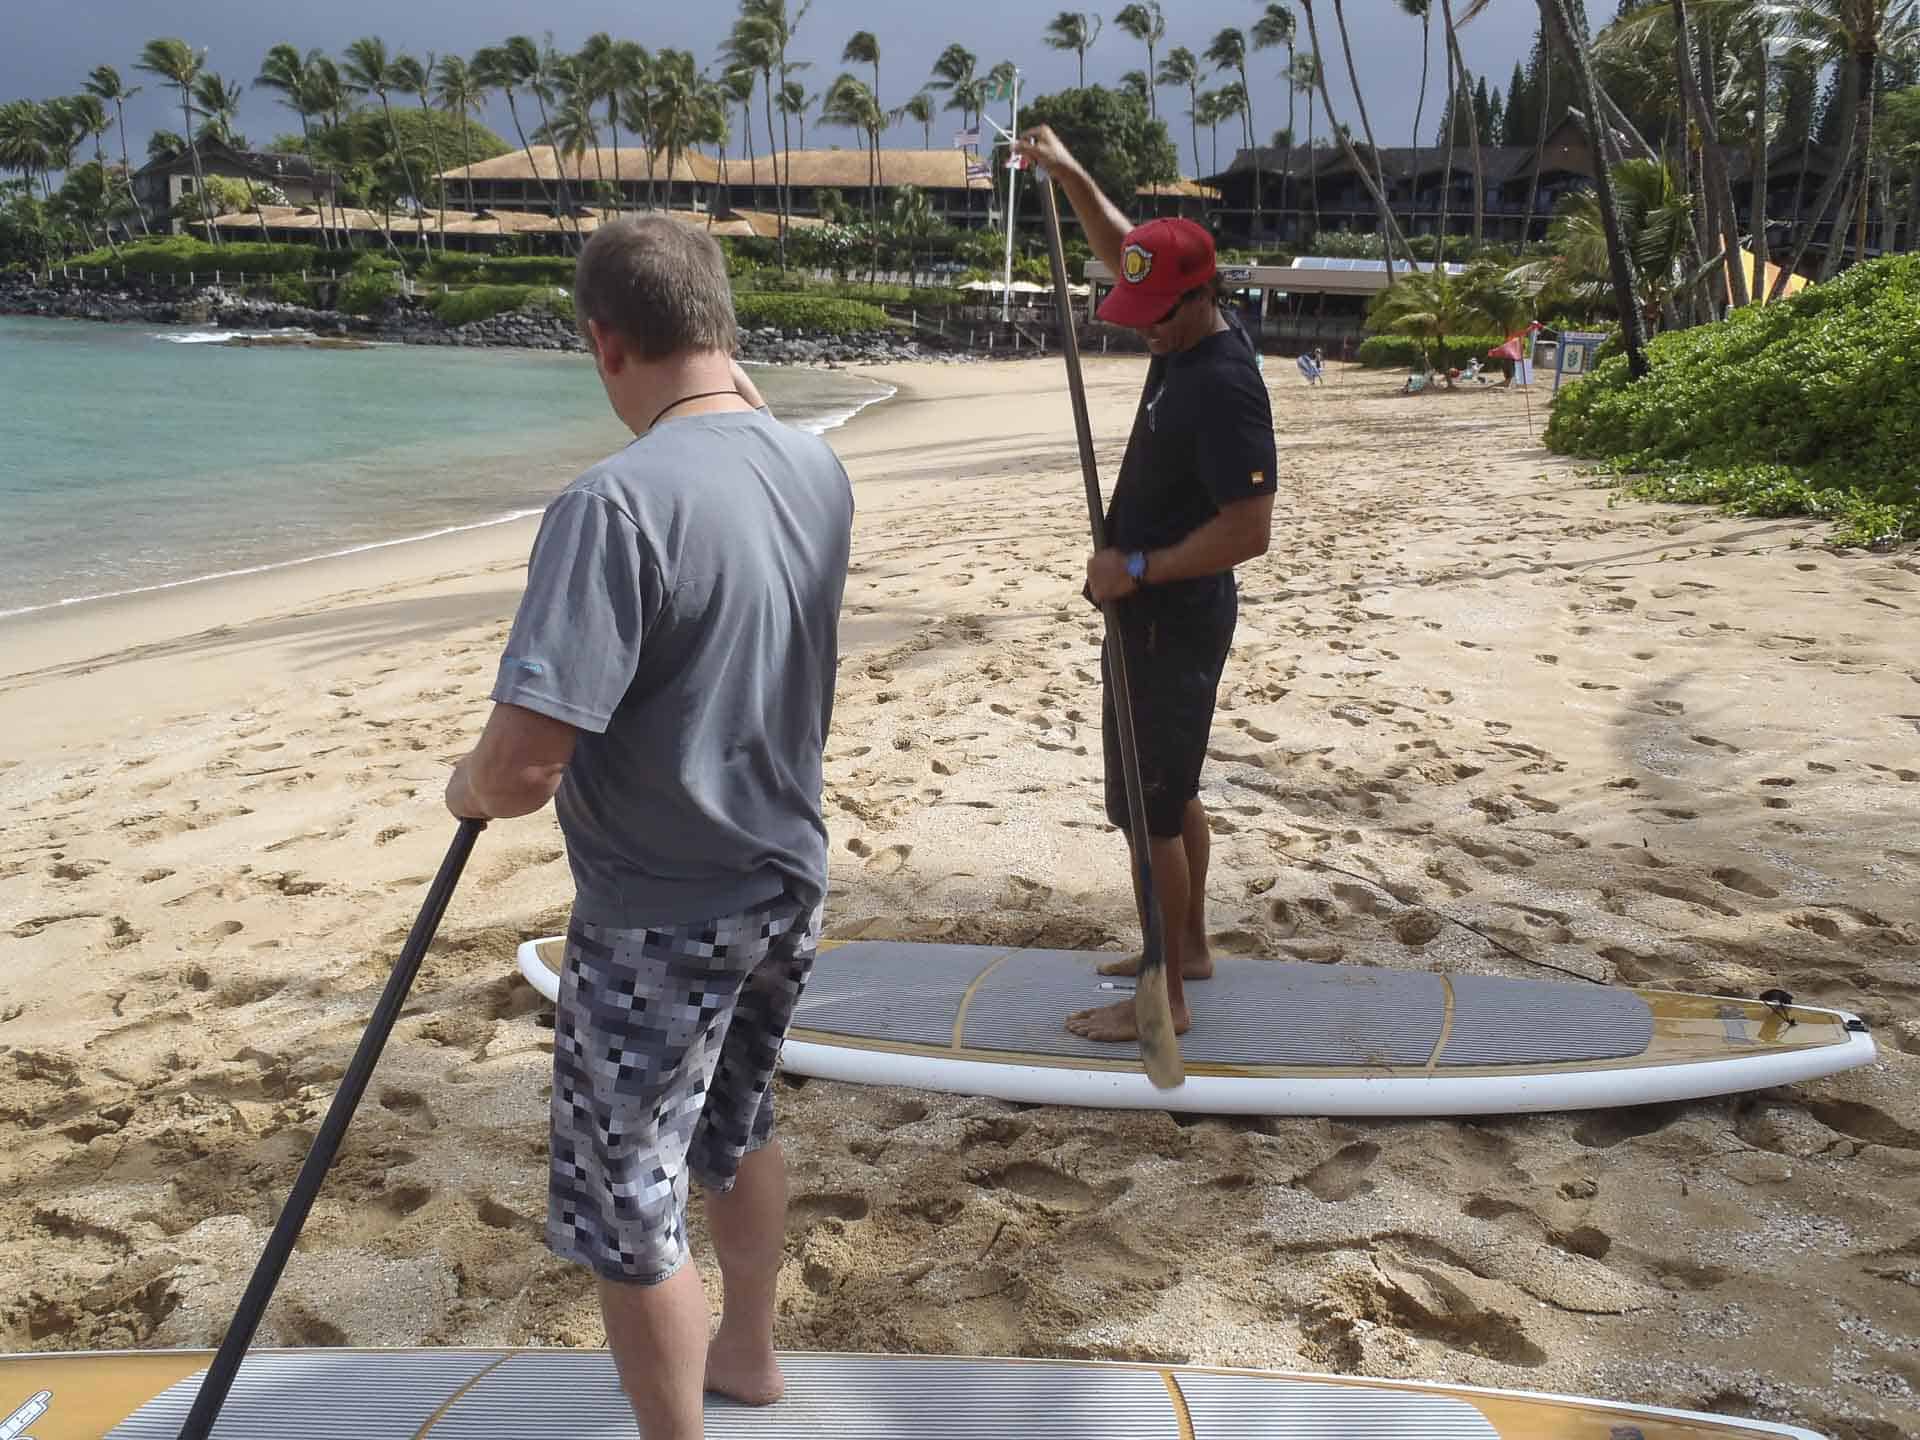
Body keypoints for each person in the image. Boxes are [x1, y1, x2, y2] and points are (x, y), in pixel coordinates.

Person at [444, 216, 853, 1439]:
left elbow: (523, 765)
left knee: (629, 1198)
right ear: (724, 327)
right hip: (788, 879)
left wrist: (464, 786)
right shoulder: (813, 466)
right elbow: (742, 433)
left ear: (601, 340)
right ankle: (751, 1354)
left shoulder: (613, 506)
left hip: (660, 913)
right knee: (739, 1125)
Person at [1013, 126, 1277, 1045]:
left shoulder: (1224, 385)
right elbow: (1120, 244)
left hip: (1170, 617)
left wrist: (1133, 569)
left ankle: (1164, 994)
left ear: (1201, 297)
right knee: (1169, 797)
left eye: (1157, 313)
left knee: (1152, 811)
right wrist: (1071, 169)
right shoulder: (1178, 328)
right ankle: (1191, 946)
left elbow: (1251, 531)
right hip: (1148, 615)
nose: (1145, 326)